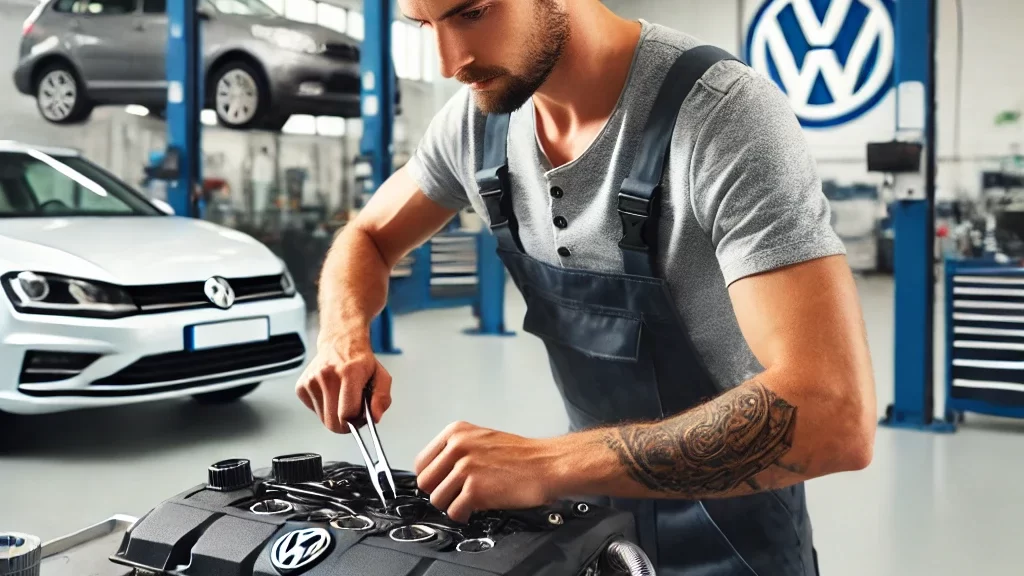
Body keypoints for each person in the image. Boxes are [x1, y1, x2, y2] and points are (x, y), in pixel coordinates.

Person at [295, 0, 877, 573]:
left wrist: (547, 463)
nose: (451, 62)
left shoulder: (723, 116)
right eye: (425, 25)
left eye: (472, 13)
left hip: (737, 530)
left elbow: (833, 414)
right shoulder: (477, 123)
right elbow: (367, 235)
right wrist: (342, 335)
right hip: (584, 520)